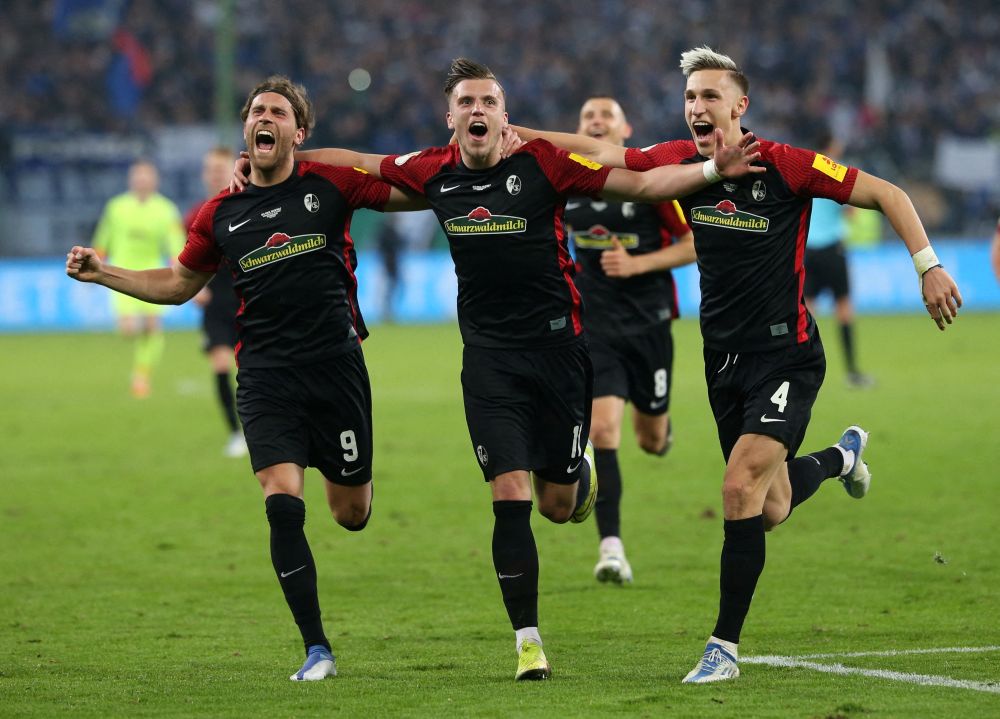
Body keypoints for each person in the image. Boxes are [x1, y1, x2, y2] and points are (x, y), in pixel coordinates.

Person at [238, 57, 763, 681]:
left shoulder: (542, 163)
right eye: (466, 102)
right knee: (508, 495)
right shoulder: (433, 170)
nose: (477, 110)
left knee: (557, 504)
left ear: (504, 116)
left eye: (488, 101)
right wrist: (284, 159)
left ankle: (577, 474)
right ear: (451, 118)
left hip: (560, 353)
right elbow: (361, 163)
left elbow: (642, 185)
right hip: (488, 362)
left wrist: (711, 170)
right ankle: (528, 643)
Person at [509, 46, 962, 683]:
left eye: (709, 96)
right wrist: (518, 135)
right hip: (722, 360)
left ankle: (723, 648)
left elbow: (887, 192)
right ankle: (842, 458)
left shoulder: (788, 165)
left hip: (786, 356)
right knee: (770, 506)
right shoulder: (681, 162)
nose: (697, 107)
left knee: (737, 489)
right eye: (690, 97)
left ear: (739, 106)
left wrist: (928, 265)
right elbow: (600, 152)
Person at [68, 75, 425, 682]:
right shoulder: (220, 213)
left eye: (278, 112)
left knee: (351, 514)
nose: (264, 118)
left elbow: (411, 192)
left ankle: (347, 501)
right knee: (281, 502)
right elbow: (178, 284)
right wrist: (106, 273)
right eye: (257, 110)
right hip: (264, 377)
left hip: (336, 370)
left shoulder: (329, 185)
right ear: (245, 127)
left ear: (299, 132)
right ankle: (317, 649)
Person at [566, 96, 696, 586]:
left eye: (606, 116)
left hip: (649, 325)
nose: (596, 121)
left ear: (626, 130)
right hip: (596, 327)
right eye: (587, 116)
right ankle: (612, 549)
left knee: (651, 439)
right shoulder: (565, 184)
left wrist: (637, 264)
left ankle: (660, 428)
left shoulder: (651, 183)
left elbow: (693, 242)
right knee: (603, 432)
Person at [91, 159, 185, 398]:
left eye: (147, 176)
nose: (142, 180)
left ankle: (141, 376)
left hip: (153, 273)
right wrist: (93, 267)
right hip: (121, 273)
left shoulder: (166, 210)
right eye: (138, 176)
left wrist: (180, 270)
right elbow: (103, 238)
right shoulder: (116, 207)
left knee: (153, 326)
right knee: (128, 329)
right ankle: (144, 335)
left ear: (155, 180)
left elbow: (176, 245)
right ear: (131, 179)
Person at [184, 146, 247, 457]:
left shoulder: (248, 205)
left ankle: (261, 429)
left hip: (248, 295)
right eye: (210, 169)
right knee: (221, 365)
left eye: (220, 168)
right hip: (215, 298)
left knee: (254, 369)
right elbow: (185, 258)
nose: (215, 174)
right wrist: (194, 288)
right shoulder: (195, 215)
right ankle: (236, 434)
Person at [804, 131, 873, 389]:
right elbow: (852, 212)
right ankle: (852, 373)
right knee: (843, 307)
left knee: (808, 310)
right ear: (830, 146)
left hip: (808, 250)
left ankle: (802, 370)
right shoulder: (836, 172)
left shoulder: (806, 170)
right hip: (832, 249)